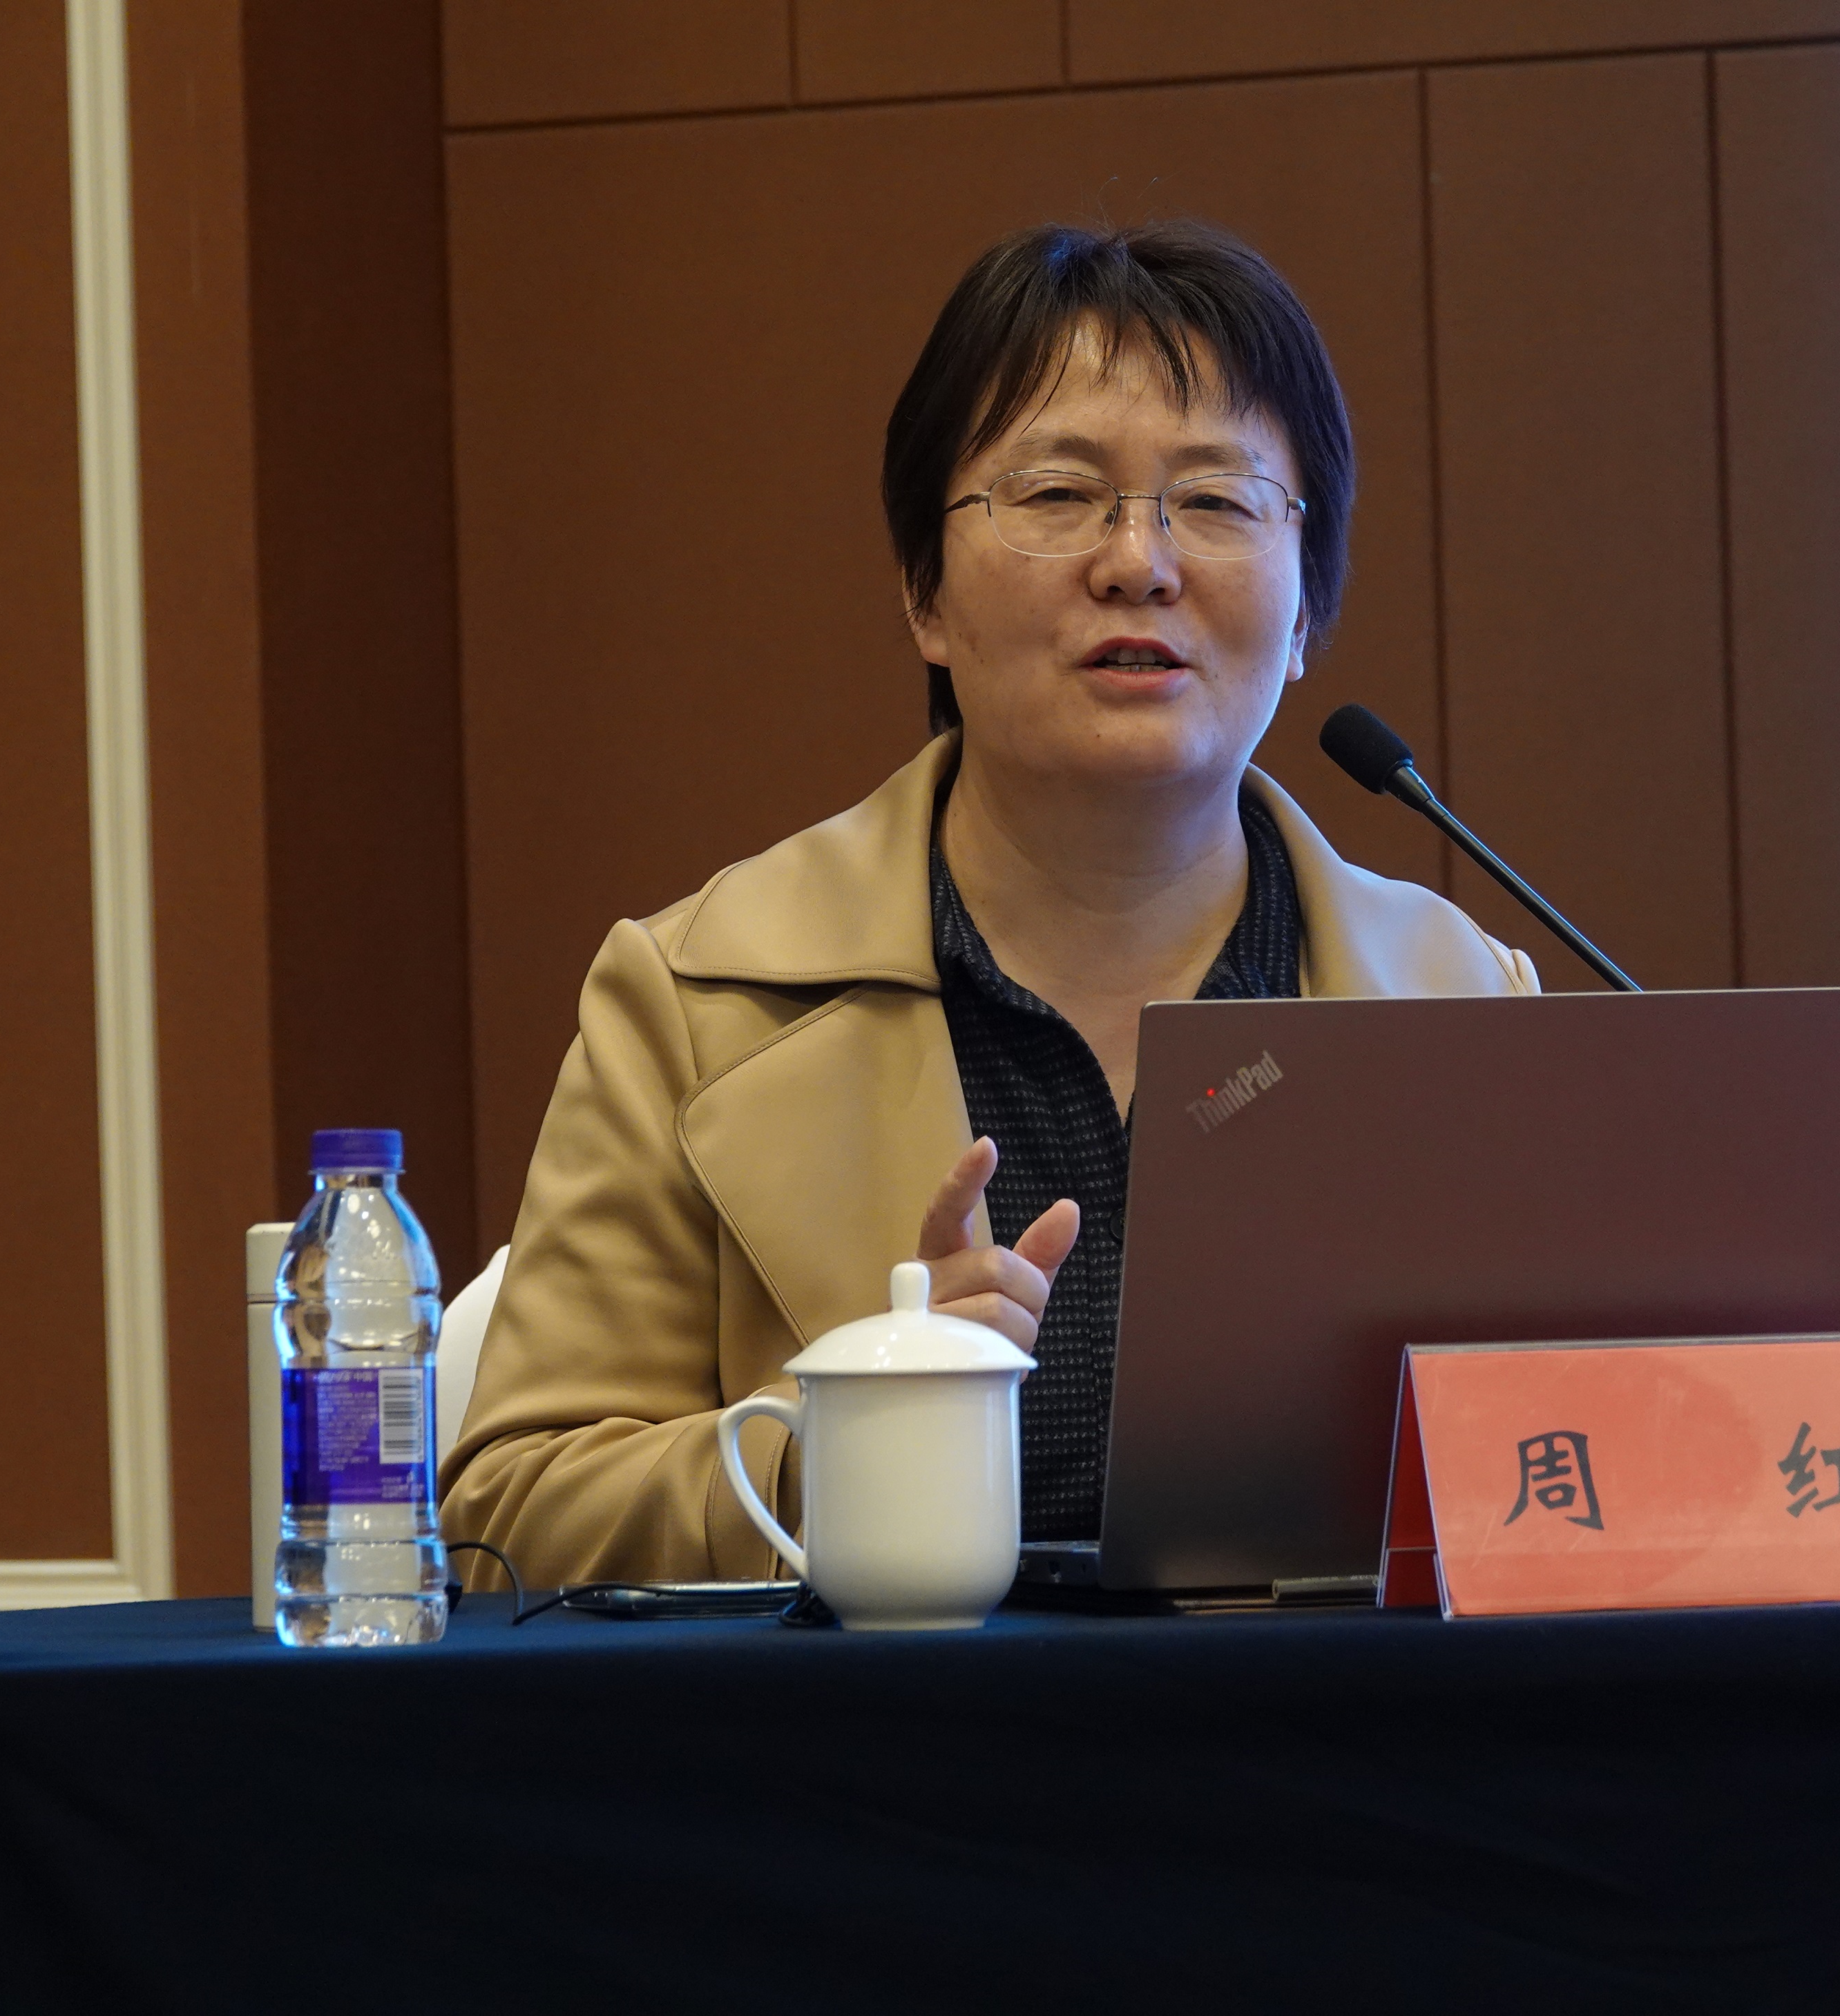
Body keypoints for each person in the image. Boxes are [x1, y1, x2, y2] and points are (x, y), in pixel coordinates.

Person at [442, 220, 1539, 1587]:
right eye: (1058, 493)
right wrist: (843, 1440)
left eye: (1214, 501)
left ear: (1307, 605)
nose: (1139, 561)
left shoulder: (1464, 1003)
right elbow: (508, 1512)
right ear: (924, 593)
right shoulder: (696, 1001)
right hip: (888, 1726)